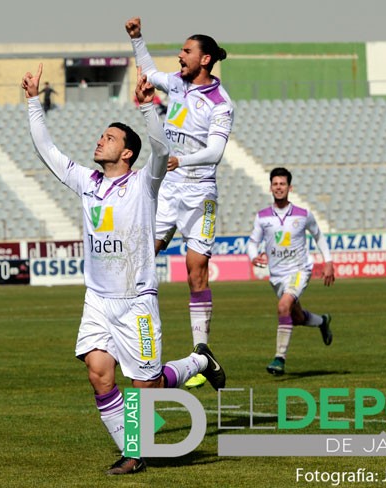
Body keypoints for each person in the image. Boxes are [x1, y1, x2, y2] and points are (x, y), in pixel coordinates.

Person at [23, 63, 226, 475]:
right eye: (102, 137)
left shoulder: (143, 183)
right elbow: (49, 152)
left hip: (136, 302)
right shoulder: (86, 182)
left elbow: (163, 151)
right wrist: (32, 102)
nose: (101, 142)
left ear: (127, 152)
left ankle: (198, 363)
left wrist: (150, 105)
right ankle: (133, 453)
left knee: (146, 388)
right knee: (99, 374)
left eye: (110, 138)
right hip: (97, 300)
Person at [126, 17, 234, 388]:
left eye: (187, 51)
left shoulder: (221, 103)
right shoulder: (176, 83)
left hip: (199, 191)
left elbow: (216, 151)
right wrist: (137, 38)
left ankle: (201, 350)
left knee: (194, 269)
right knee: (143, 253)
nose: (180, 56)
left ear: (205, 59)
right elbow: (150, 72)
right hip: (169, 188)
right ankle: (129, 327)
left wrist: (181, 161)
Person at [248, 167, 335, 375]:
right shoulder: (262, 217)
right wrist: (253, 256)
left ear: (290, 187)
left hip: (299, 270)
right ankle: (323, 321)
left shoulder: (303, 214)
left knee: (283, 306)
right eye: (276, 184)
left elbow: (319, 237)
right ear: (270, 187)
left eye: (283, 184)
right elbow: (252, 242)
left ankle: (279, 358)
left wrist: (328, 262)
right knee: (295, 317)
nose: (279, 187)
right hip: (277, 276)